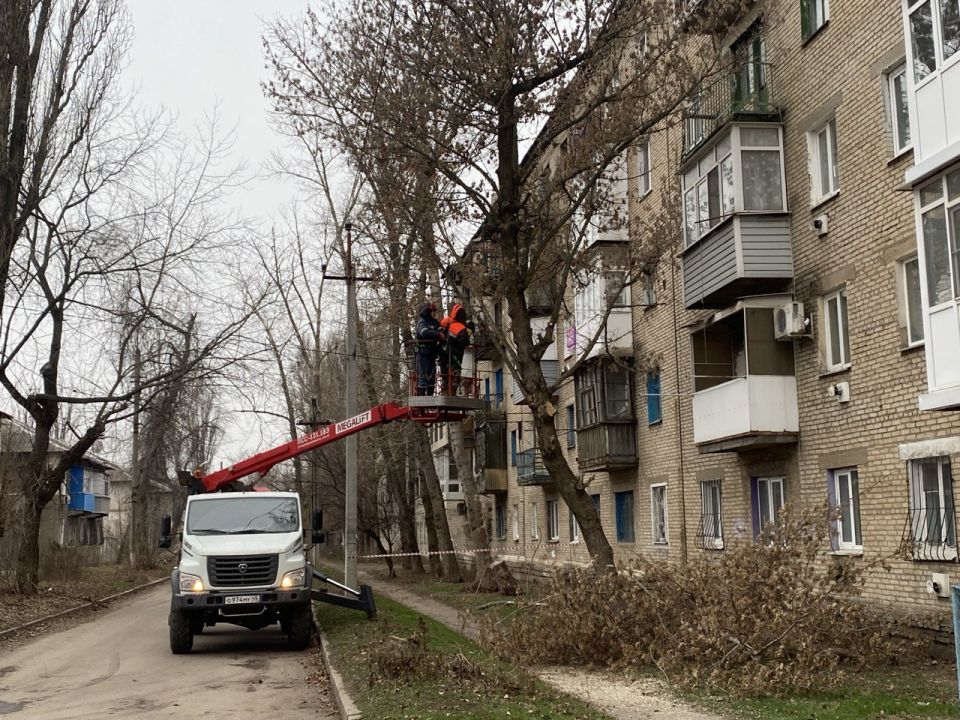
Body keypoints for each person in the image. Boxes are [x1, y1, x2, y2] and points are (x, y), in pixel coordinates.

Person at [439, 303, 473, 394]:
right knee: (455, 376)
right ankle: (452, 393)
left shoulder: (445, 322)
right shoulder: (461, 328)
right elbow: (465, 342)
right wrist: (469, 331)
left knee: (445, 375)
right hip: (455, 355)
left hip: (443, 354)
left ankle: (444, 390)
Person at [414, 302, 445, 395]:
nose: (434, 314)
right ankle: (421, 396)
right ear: (427, 311)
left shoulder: (434, 322)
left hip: (432, 353)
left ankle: (430, 395)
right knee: (423, 375)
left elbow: (441, 329)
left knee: (432, 375)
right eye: (433, 311)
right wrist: (437, 334)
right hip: (423, 353)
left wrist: (443, 332)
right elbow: (424, 332)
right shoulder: (422, 322)